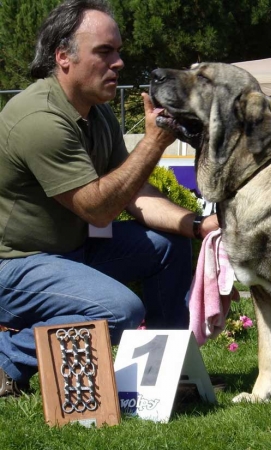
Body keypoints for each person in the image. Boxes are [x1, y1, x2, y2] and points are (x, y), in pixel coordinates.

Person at [0, 0, 218, 397]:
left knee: (168, 246)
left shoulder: (97, 115)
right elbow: (97, 209)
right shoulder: (39, 119)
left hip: (72, 252)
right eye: (104, 52)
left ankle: (166, 374)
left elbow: (133, 193)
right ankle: (7, 359)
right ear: (63, 57)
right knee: (117, 309)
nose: (118, 63)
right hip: (15, 266)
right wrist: (154, 142)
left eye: (118, 51)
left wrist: (198, 225)